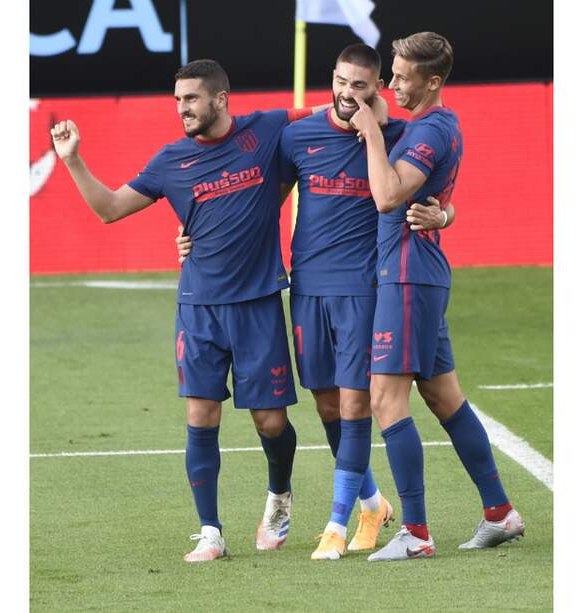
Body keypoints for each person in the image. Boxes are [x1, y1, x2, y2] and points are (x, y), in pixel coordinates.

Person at [176, 46, 453, 561]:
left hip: (366, 288)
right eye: (343, 83)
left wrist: (448, 214)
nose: (350, 94)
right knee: (327, 403)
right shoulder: (297, 136)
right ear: (332, 80)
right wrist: (199, 237)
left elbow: (436, 187)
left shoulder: (396, 136)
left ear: (378, 90)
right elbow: (259, 202)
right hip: (307, 288)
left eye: (363, 86)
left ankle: (335, 523)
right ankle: (372, 503)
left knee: (354, 403)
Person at [50, 59, 327, 562]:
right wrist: (71, 159)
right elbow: (110, 209)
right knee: (201, 415)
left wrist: (367, 103)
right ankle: (211, 531)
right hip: (198, 308)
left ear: (220, 98)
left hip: (258, 304)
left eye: (192, 99)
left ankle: (280, 495)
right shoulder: (169, 161)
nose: (183, 108)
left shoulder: (265, 129)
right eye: (178, 100)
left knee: (270, 422)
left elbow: (330, 114)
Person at [347, 32, 525, 561]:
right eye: (391, 73)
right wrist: (365, 104)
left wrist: (372, 137)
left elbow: (386, 196)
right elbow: (380, 110)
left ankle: (417, 533)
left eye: (402, 76)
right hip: (413, 273)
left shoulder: (432, 129)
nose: (391, 83)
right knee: (445, 398)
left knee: (385, 399)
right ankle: (500, 512)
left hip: (407, 275)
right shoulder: (424, 123)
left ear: (434, 81)